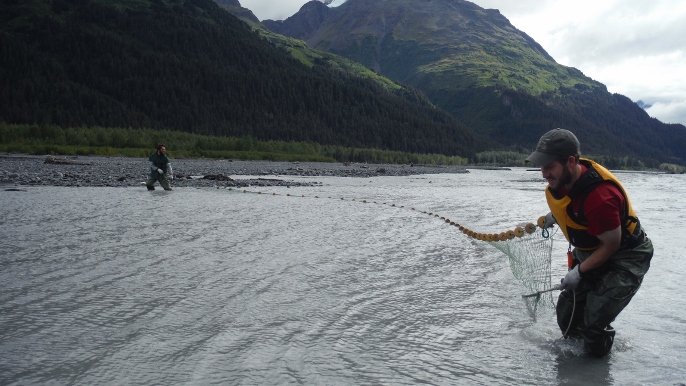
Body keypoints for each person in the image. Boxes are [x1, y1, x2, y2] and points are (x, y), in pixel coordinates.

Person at [526, 128, 653, 357]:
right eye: (542, 166)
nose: (544, 173)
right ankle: (573, 370)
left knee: (594, 320)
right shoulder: (565, 179)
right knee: (567, 314)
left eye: (550, 166)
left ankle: (596, 367)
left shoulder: (600, 197)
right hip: (593, 248)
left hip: (625, 255)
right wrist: (554, 217)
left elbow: (611, 244)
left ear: (571, 161)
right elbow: (573, 205)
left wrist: (579, 272)